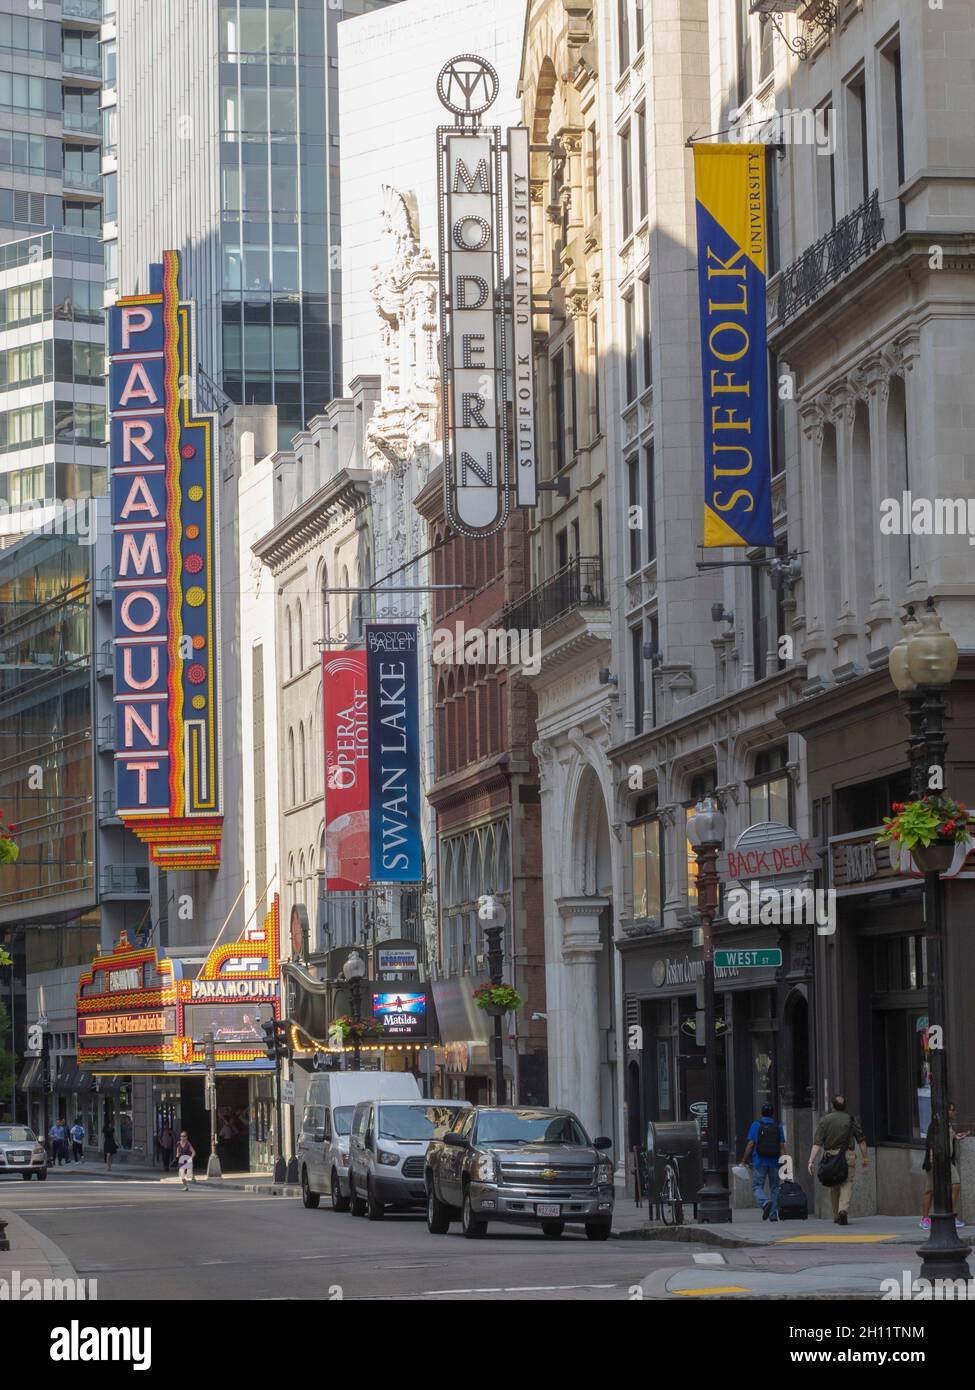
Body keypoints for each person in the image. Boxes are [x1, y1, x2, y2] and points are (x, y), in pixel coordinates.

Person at [807, 1094, 868, 1225]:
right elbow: (861, 1140)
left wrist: (811, 1161)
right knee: (847, 1183)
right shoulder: (851, 1120)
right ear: (845, 1106)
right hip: (848, 1155)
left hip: (831, 1157)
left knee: (834, 1185)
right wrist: (865, 1157)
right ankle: (843, 1211)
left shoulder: (825, 1120)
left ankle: (836, 1215)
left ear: (832, 1106)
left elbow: (817, 1143)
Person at [921, 1101, 969, 1230]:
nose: (955, 1112)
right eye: (952, 1110)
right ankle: (925, 1219)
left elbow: (948, 1137)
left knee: (955, 1185)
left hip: (946, 1161)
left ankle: (950, 1215)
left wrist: (956, 1136)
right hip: (934, 1161)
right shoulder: (935, 1125)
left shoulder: (947, 1125)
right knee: (930, 1190)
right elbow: (930, 1143)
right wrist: (931, 1162)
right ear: (946, 1111)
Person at [740, 1101, 787, 1221]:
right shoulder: (778, 1127)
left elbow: (750, 1145)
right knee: (775, 1187)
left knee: (757, 1186)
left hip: (759, 1161)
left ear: (762, 1113)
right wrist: (785, 1163)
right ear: (772, 1113)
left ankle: (765, 1202)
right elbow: (782, 1147)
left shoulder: (756, 1125)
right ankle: (773, 1215)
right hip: (775, 1162)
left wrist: (744, 1161)